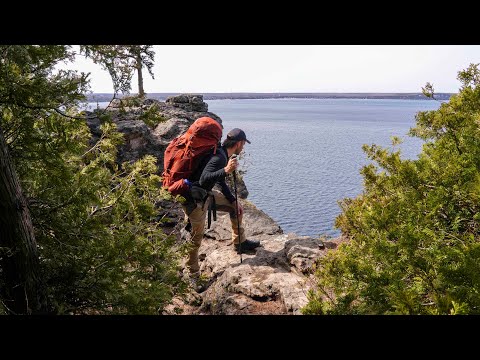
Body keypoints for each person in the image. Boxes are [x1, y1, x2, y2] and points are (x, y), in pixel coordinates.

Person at [181, 128, 261, 282]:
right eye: (243, 144)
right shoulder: (219, 157)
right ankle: (192, 276)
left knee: (235, 207)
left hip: (203, 194)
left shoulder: (223, 153)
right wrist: (225, 170)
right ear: (238, 143)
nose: (243, 147)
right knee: (196, 238)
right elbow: (205, 179)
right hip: (194, 199)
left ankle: (240, 242)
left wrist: (232, 199)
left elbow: (219, 181)